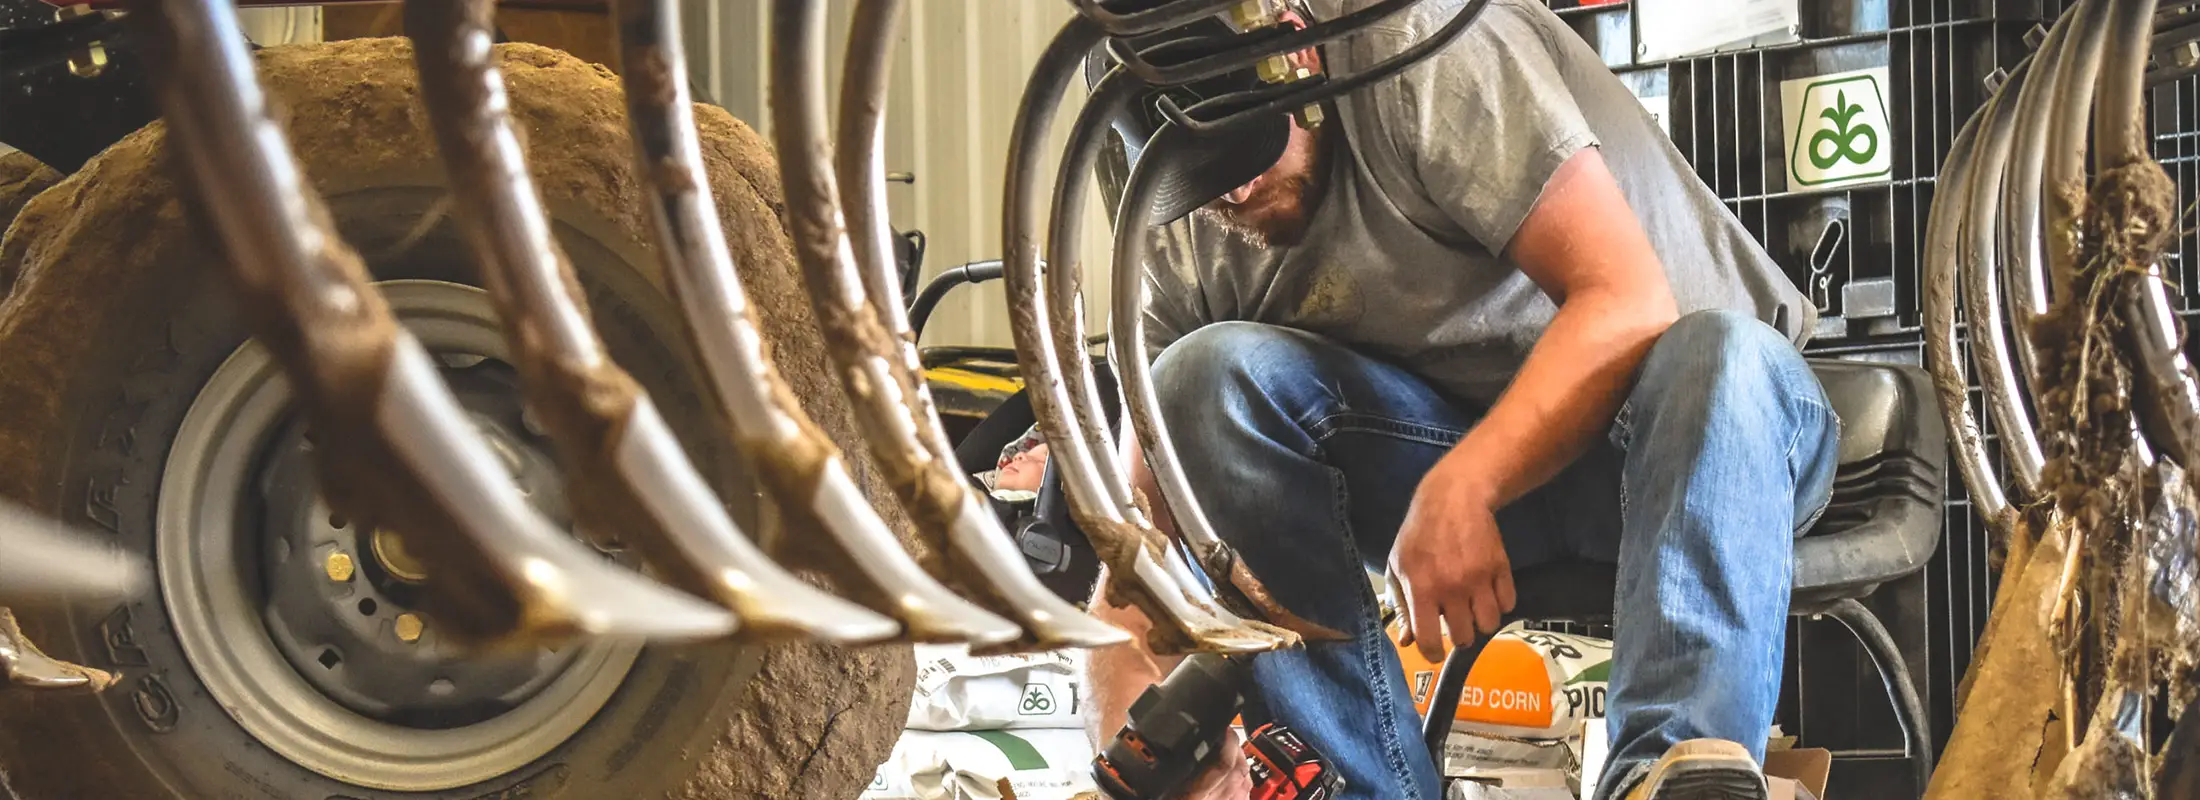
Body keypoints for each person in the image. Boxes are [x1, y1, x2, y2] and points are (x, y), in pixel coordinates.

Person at [1083, 1, 1838, 799]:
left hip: (1710, 451)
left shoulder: (1421, 44)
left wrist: (1466, 485)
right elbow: (1139, 564)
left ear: (1298, 57)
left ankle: (1670, 778)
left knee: (1713, 351)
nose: (1231, 189)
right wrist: (1144, 743)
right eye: (1200, 180)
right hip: (1467, 480)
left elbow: (1628, 301)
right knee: (1197, 385)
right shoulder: (1173, 213)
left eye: (1250, 148)